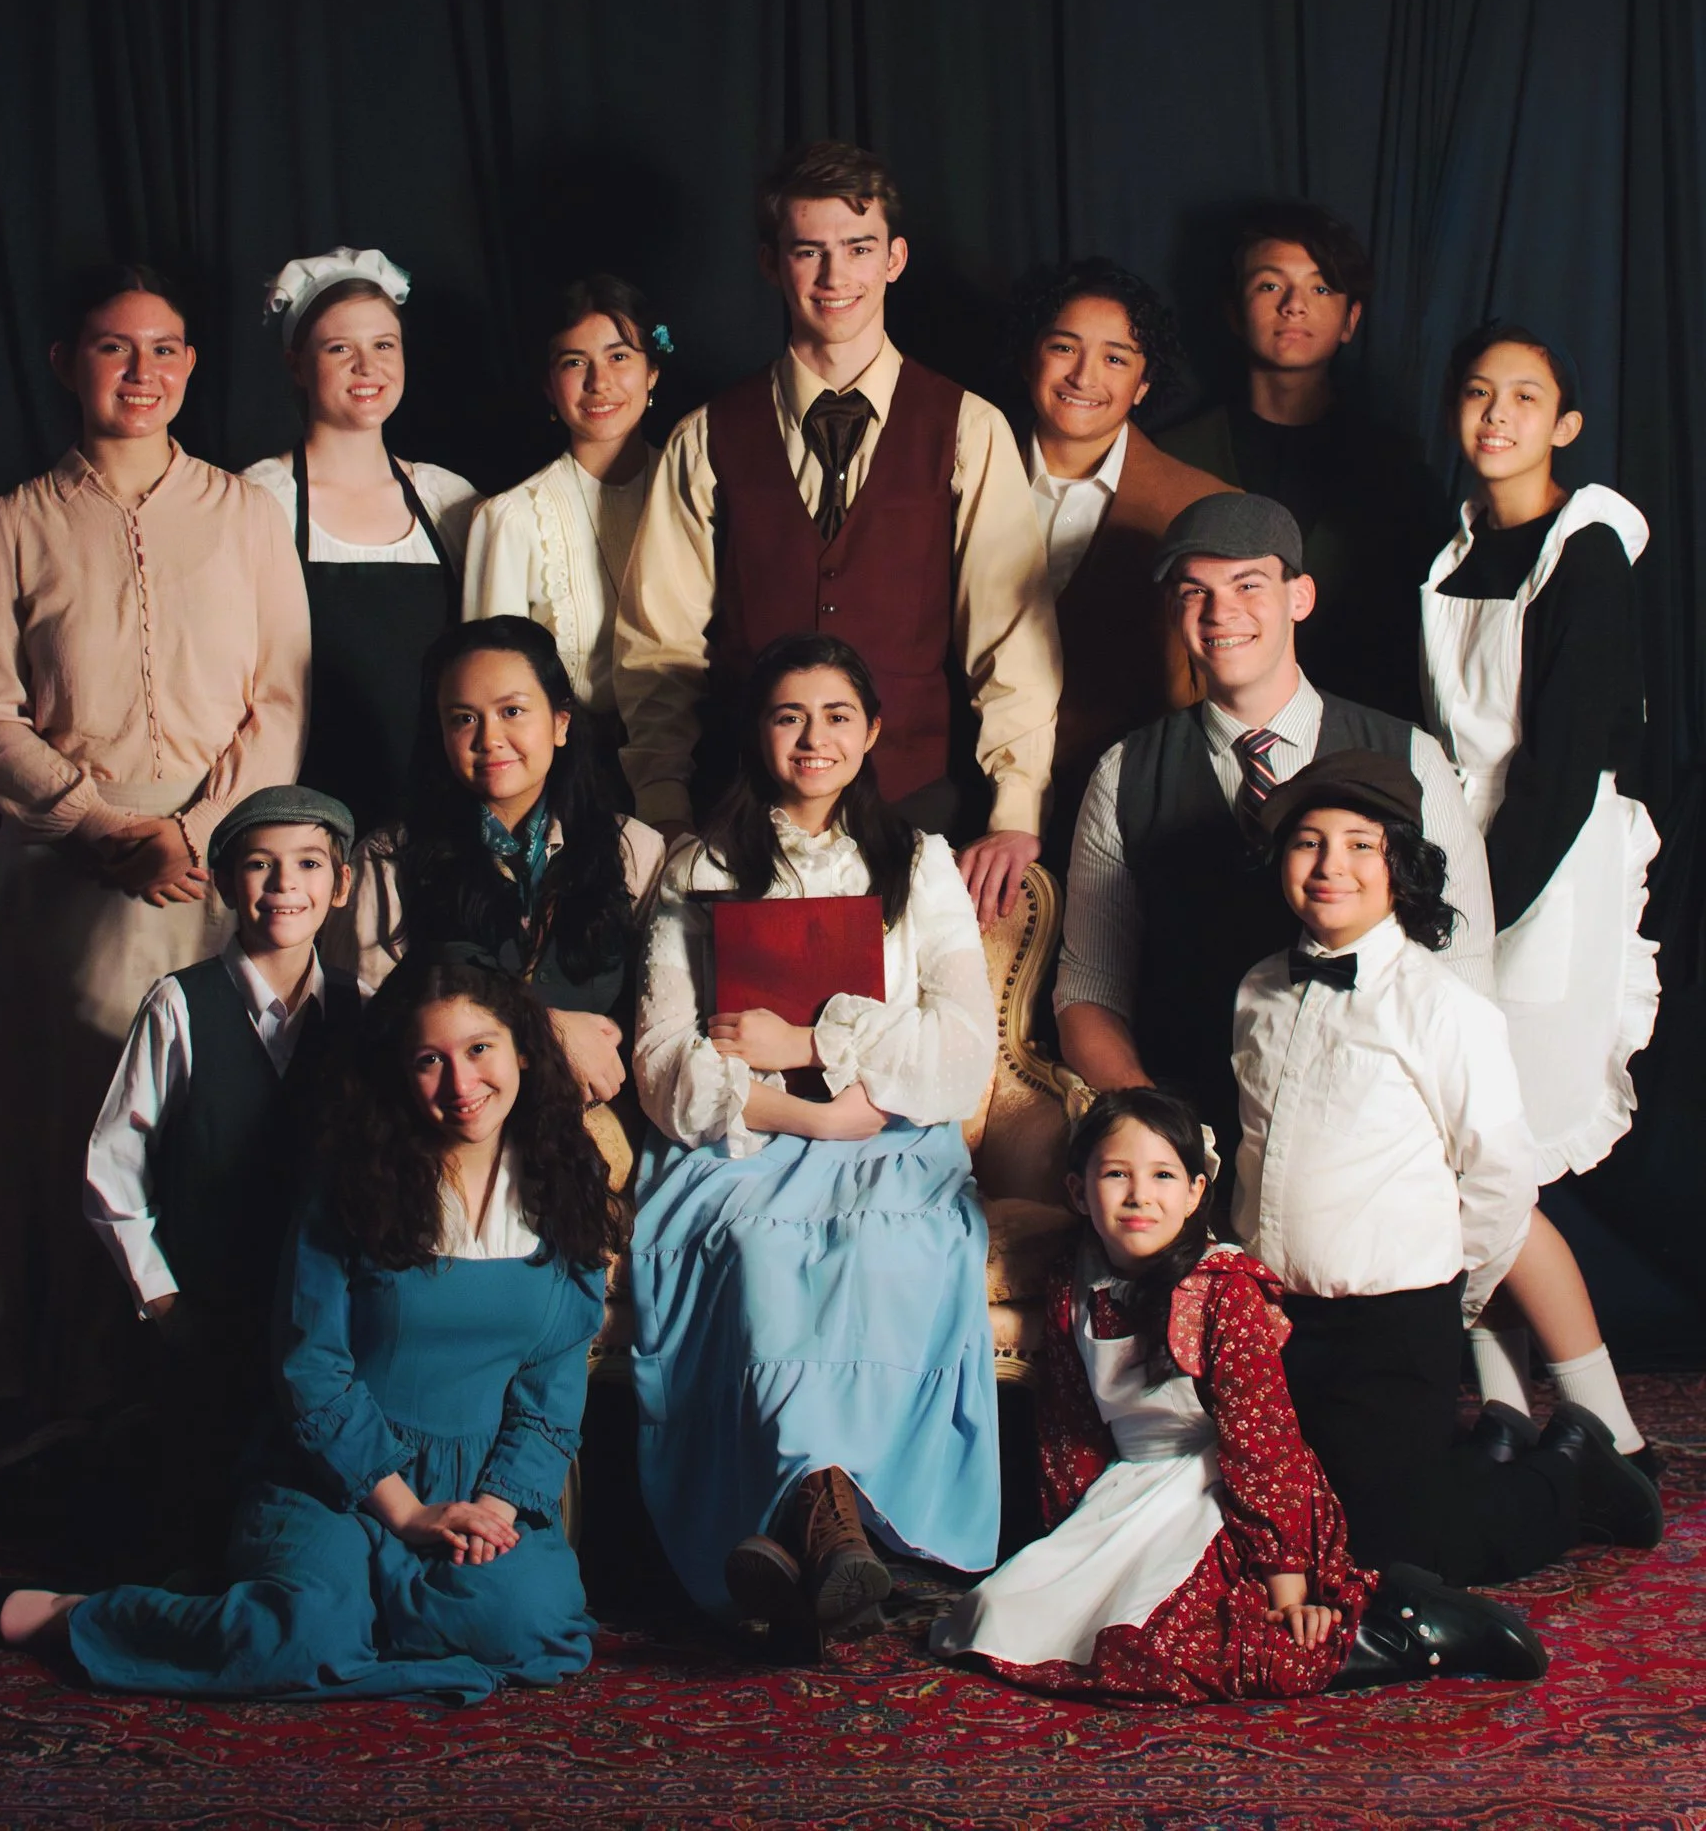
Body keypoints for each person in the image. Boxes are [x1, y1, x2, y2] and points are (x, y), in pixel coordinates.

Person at [0, 954, 609, 1701]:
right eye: (430, 1060)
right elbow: (312, 1369)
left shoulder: (562, 1187)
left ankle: (337, 1621)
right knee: (299, 1641)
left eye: (480, 1050)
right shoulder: (355, 1185)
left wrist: (493, 1512)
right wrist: (404, 1510)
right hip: (338, 1476)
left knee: (536, 1631)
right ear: (399, 1072)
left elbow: (553, 1383)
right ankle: (68, 1616)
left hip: (479, 1484)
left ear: (522, 1051)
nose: (461, 1085)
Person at [0, 264, 310, 1415]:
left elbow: (282, 699)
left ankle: (186, 1380)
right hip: (64, 870)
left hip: (218, 862)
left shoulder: (245, 513)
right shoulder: (16, 519)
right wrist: (108, 831)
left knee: (205, 1118)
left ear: (193, 365)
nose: (142, 372)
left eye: (164, 349)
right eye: (114, 347)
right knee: (62, 1113)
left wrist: (194, 833)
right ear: (67, 363)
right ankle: (51, 1387)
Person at [932, 1088, 1545, 1697]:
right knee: (997, 1620)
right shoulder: (1076, 1277)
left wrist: (1287, 1583)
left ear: (1196, 1192)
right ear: (1078, 1190)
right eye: (1116, 1174)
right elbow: (1069, 1423)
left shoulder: (1220, 1288)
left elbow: (1263, 1440)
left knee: (1167, 1645)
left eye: (1163, 1175)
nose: (1140, 1195)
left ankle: (1396, 1635)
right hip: (1127, 1486)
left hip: (1216, 1487)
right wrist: (1072, 1537)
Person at [631, 634, 999, 1644]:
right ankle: (832, 1531)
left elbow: (967, 1052)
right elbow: (663, 1057)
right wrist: (799, 1111)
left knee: (891, 1249)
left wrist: (813, 1045)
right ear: (758, 733)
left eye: (837, 715)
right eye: (789, 715)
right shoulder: (700, 866)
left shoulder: (918, 864)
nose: (813, 738)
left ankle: (810, 1526)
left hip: (888, 1129)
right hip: (743, 1137)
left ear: (873, 729)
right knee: (756, 1256)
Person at [1236, 752, 1661, 1586]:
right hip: (1284, 1317)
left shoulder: (1442, 1008)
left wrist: (1447, 1296)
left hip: (1395, 1321)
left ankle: (1573, 1473)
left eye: (1362, 846)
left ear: (1401, 866)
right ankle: (1484, 1458)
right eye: (1309, 844)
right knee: (1288, 1528)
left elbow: (1501, 1179)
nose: (1332, 868)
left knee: (1397, 1553)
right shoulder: (1256, 991)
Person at [616, 139, 1060, 925]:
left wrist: (1015, 806)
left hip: (920, 808)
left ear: (895, 258)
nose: (834, 276)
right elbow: (660, 644)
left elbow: (1011, 633)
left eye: (857, 249)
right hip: (741, 816)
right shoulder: (705, 435)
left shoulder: (968, 427)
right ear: (770, 262)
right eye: (808, 251)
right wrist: (664, 802)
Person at [1053, 492, 1493, 1161]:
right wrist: (1161, 1133)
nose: (1219, 612)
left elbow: (1462, 970)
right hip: (1194, 1130)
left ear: (1300, 597)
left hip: (1372, 1134)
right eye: (1193, 591)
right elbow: (1089, 990)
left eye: (1247, 584)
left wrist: (1414, 1141)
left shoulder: (1408, 756)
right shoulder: (1124, 773)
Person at [1421, 322, 1662, 1463]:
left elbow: (1560, 771)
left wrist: (1469, 916)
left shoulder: (1588, 549)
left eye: (1526, 398)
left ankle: (1603, 1421)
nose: (1498, 416)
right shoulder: (1456, 548)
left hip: (1547, 869)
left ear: (1564, 424)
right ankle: (1508, 1405)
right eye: (1479, 393)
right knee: (1450, 1138)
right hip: (1461, 850)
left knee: (1495, 1144)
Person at [83, 785, 363, 1561]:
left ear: (339, 885)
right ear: (226, 880)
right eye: (258, 865)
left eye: (308, 864)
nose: (283, 886)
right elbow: (114, 1166)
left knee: (307, 1513)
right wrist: (163, 1300)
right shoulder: (179, 1005)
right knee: (195, 1524)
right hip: (205, 1311)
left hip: (325, 1320)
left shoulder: (363, 1008)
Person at [327, 617, 664, 1113]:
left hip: (597, 1121)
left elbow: (662, 1023)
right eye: (463, 718)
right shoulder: (388, 859)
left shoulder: (634, 850)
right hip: (441, 1124)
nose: (489, 738)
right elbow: (369, 1021)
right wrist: (544, 1027)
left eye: (512, 711)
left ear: (561, 723)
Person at [1162, 204, 1444, 720]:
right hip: (1204, 735)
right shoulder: (1170, 457)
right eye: (1269, 286)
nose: (1294, 306)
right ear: (1232, 311)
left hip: (1361, 734)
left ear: (1350, 320)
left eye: (1320, 289)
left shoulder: (1395, 468)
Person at [246, 246, 478, 837]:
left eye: (384, 345)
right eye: (339, 349)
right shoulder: (259, 499)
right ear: (296, 364)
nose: (366, 366)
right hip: (300, 824)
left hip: (437, 820)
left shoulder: (447, 499)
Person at [1007, 256, 1237, 846]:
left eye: (1115, 358)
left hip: (1136, 817)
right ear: (1032, 355)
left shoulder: (1204, 508)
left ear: (1144, 383)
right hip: (966, 805)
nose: (1084, 376)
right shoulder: (955, 476)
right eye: (1064, 347)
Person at [463, 275, 671, 764]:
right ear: (549, 387)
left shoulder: (698, 488)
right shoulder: (511, 518)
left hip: (703, 757)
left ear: (652, 372)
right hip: (571, 769)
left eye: (619, 357)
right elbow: (490, 688)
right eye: (575, 363)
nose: (599, 382)